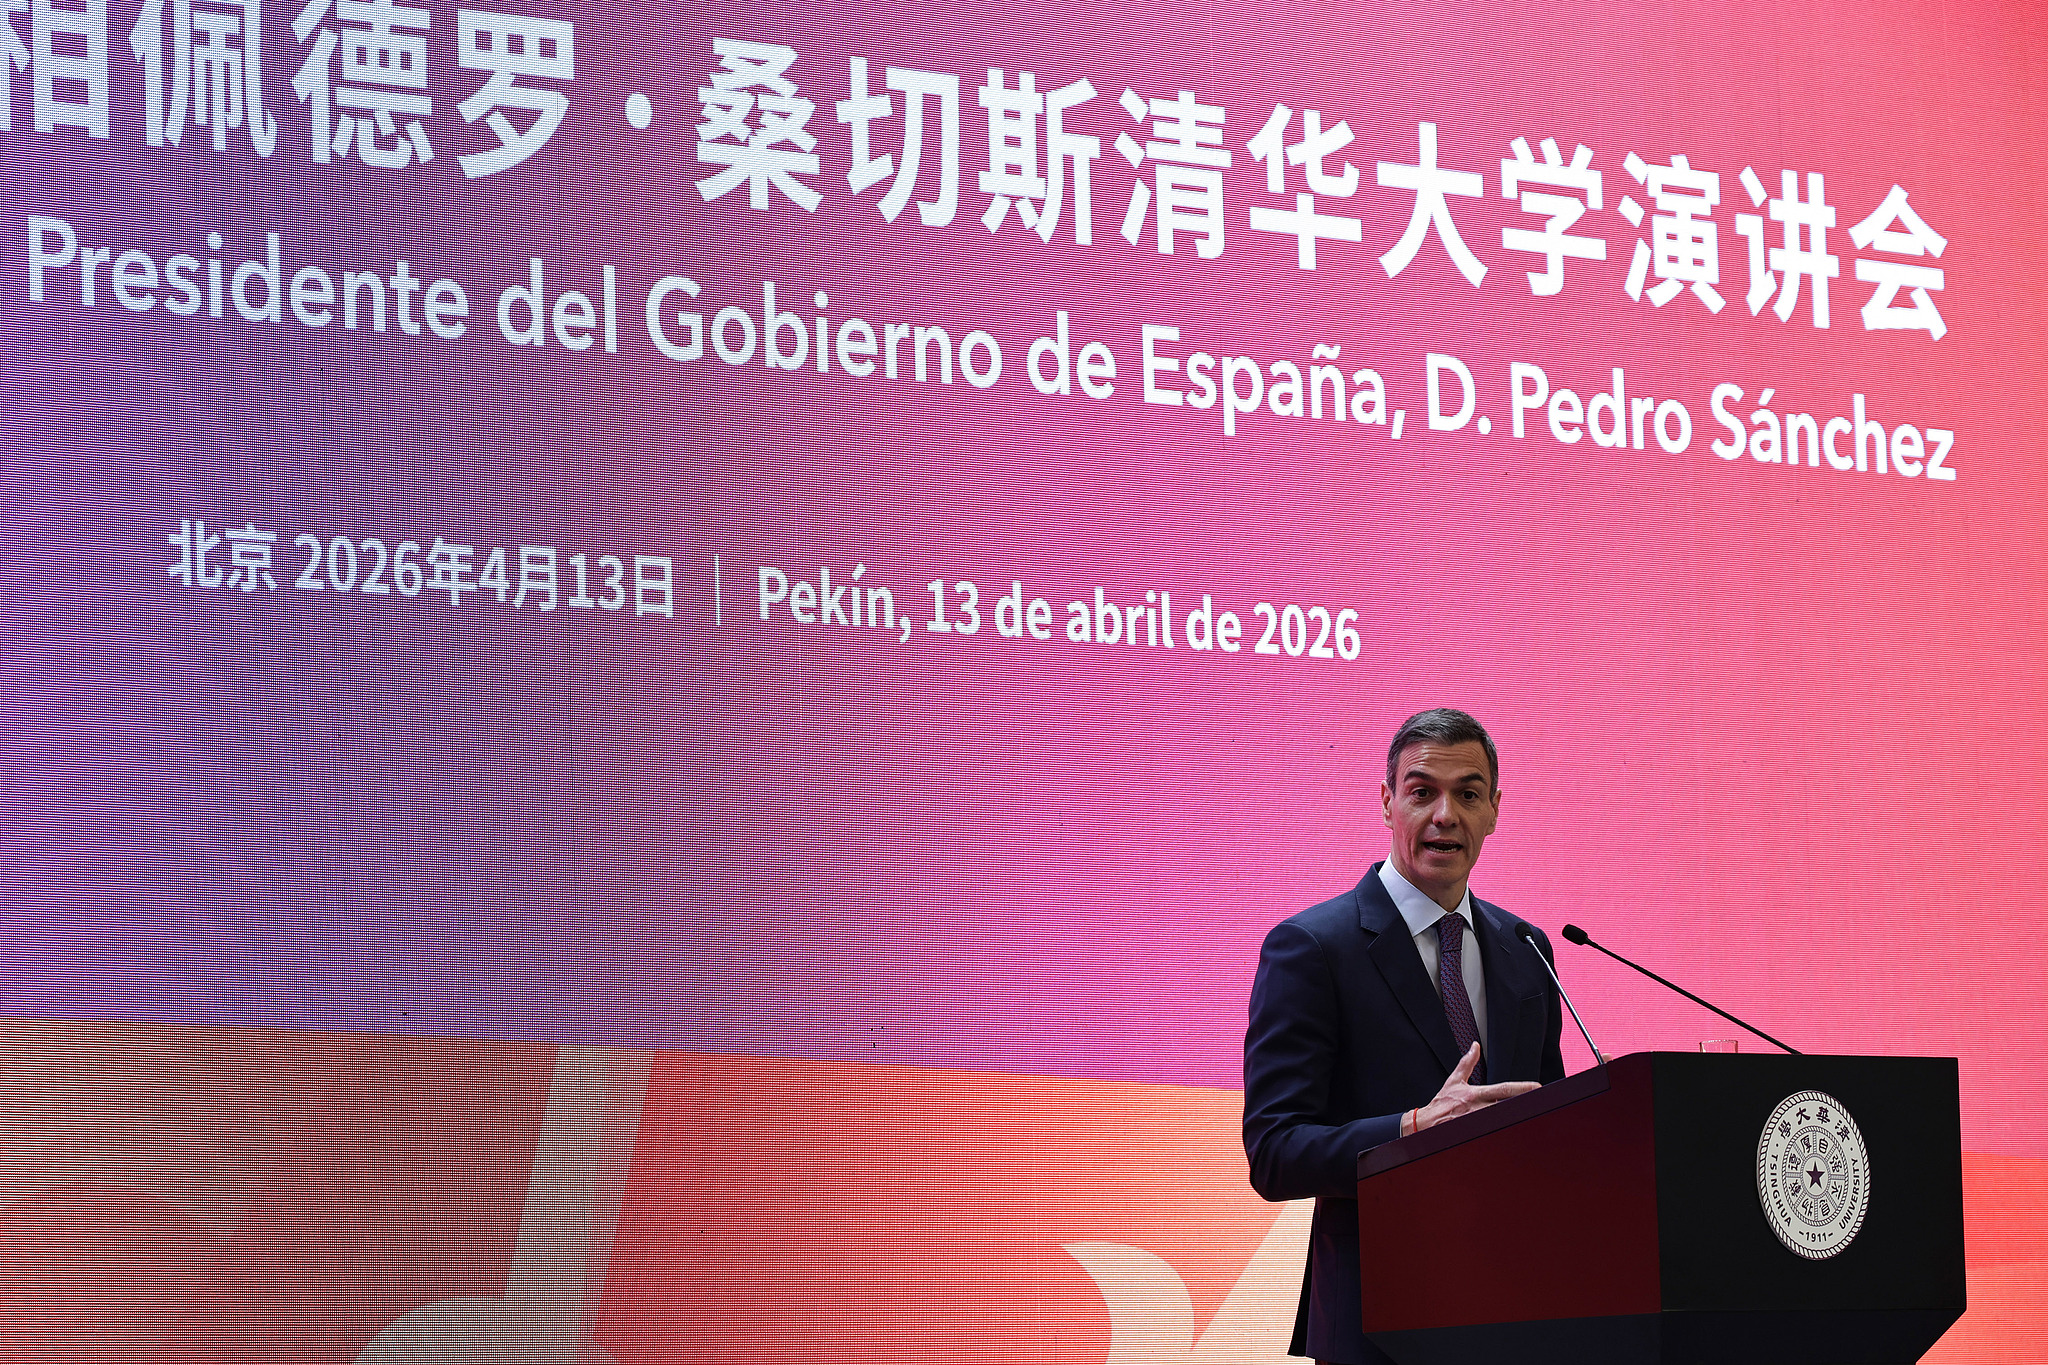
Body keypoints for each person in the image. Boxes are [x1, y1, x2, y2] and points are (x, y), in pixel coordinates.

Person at [1242, 707, 1565, 1365]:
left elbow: (1545, 1128)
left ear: (1494, 810)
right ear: (1388, 802)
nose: (1446, 815)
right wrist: (1413, 1128)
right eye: (1422, 792)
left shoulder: (1525, 948)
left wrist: (1602, 1115)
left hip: (1517, 1316)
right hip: (1378, 1324)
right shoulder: (1313, 947)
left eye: (1468, 794)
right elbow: (1274, 1152)